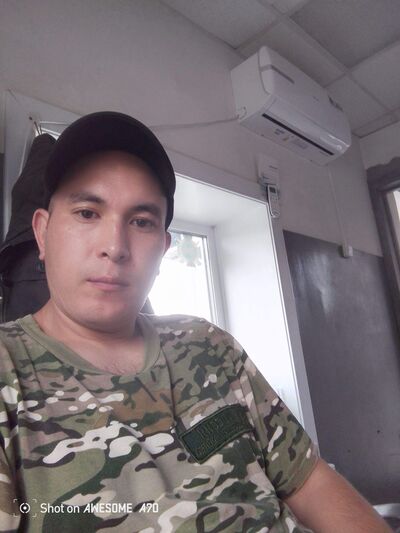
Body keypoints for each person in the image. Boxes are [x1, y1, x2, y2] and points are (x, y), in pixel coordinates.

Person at [0, 112, 390, 533]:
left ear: (163, 248)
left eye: (141, 222)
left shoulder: (209, 344)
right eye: (87, 213)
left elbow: (309, 480)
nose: (114, 246)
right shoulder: (8, 370)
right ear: (42, 233)